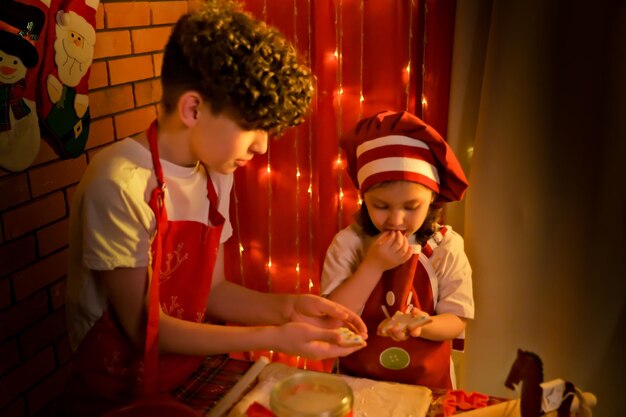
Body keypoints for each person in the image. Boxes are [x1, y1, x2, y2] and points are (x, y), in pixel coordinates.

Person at [64, 1, 367, 415]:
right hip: (114, 394)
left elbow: (213, 292)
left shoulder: (215, 174)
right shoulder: (119, 183)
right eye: (252, 127)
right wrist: (273, 336)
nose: (261, 146)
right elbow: (142, 329)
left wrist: (290, 308)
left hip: (187, 370)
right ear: (193, 109)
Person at [320, 110, 473, 389]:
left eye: (411, 207)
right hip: (354, 380)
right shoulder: (348, 244)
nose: (396, 219)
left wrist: (422, 325)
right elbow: (332, 317)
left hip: (426, 385)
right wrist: (373, 265)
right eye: (381, 206)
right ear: (364, 198)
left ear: (432, 200)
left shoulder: (446, 247)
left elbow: (457, 320)